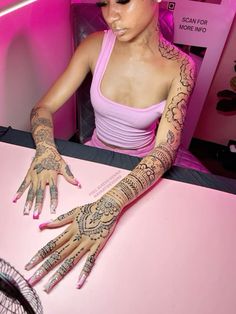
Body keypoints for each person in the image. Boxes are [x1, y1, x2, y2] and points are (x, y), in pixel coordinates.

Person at [15, 0, 195, 293]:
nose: (111, 15)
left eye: (123, 0)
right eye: (103, 3)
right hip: (93, 160)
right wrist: (46, 149)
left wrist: (111, 203)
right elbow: (43, 107)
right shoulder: (94, 45)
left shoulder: (181, 67)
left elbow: (166, 149)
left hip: (143, 170)